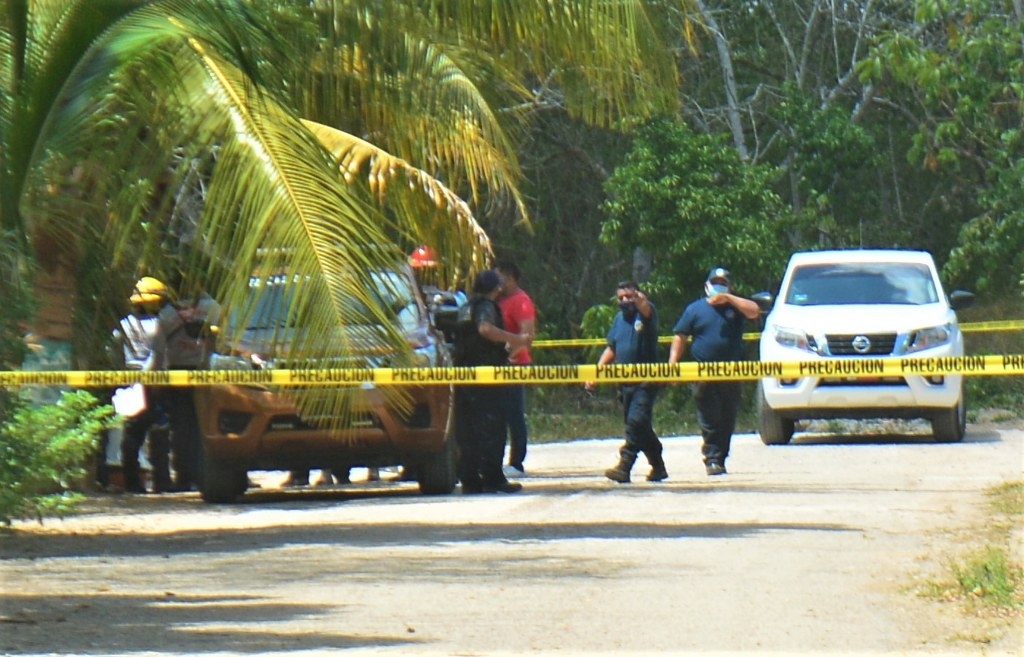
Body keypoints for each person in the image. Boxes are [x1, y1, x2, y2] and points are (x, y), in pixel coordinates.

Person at [668, 266, 759, 475]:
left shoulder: (736, 307)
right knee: (709, 416)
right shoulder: (694, 309)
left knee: (727, 416)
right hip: (703, 373)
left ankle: (720, 458)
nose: (719, 287)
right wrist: (673, 362)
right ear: (707, 286)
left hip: (732, 372)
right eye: (715, 283)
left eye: (723, 284)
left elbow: (754, 311)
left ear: (730, 287)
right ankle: (711, 458)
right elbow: (680, 335)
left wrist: (730, 298)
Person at [453, 270, 531, 494]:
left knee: (467, 430)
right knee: (493, 428)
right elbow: (485, 329)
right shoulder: (486, 306)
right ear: (496, 289)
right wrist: (516, 339)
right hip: (486, 378)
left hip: (464, 376)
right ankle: (493, 477)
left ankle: (470, 479)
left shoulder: (465, 307)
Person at [585, 281, 667, 484]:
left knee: (636, 422)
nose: (624, 301)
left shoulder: (647, 314)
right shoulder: (619, 319)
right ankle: (658, 465)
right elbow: (612, 348)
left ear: (637, 295)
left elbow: (646, 309)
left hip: (646, 380)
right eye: (620, 298)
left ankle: (625, 465)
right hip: (625, 382)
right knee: (640, 425)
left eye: (628, 297)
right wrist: (597, 372)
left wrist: (640, 301)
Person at [152, 287, 221, 491]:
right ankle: (205, 475)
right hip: (206, 373)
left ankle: (184, 476)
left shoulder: (167, 313)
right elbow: (225, 342)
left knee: (182, 428)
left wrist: (156, 379)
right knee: (205, 426)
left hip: (176, 374)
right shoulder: (214, 309)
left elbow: (157, 350)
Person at [114, 277, 174, 493]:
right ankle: (162, 480)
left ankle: (132, 482)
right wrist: (152, 383)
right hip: (154, 382)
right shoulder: (159, 325)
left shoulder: (124, 324)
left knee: (132, 433)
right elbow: (158, 355)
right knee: (160, 431)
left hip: (131, 383)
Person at [494, 260, 536, 478]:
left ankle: (517, 462)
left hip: (515, 364)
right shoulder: (499, 300)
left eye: (499, 277)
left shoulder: (521, 301)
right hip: (499, 367)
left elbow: (526, 337)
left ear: (510, 277)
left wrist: (507, 357)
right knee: (498, 414)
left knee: (513, 414)